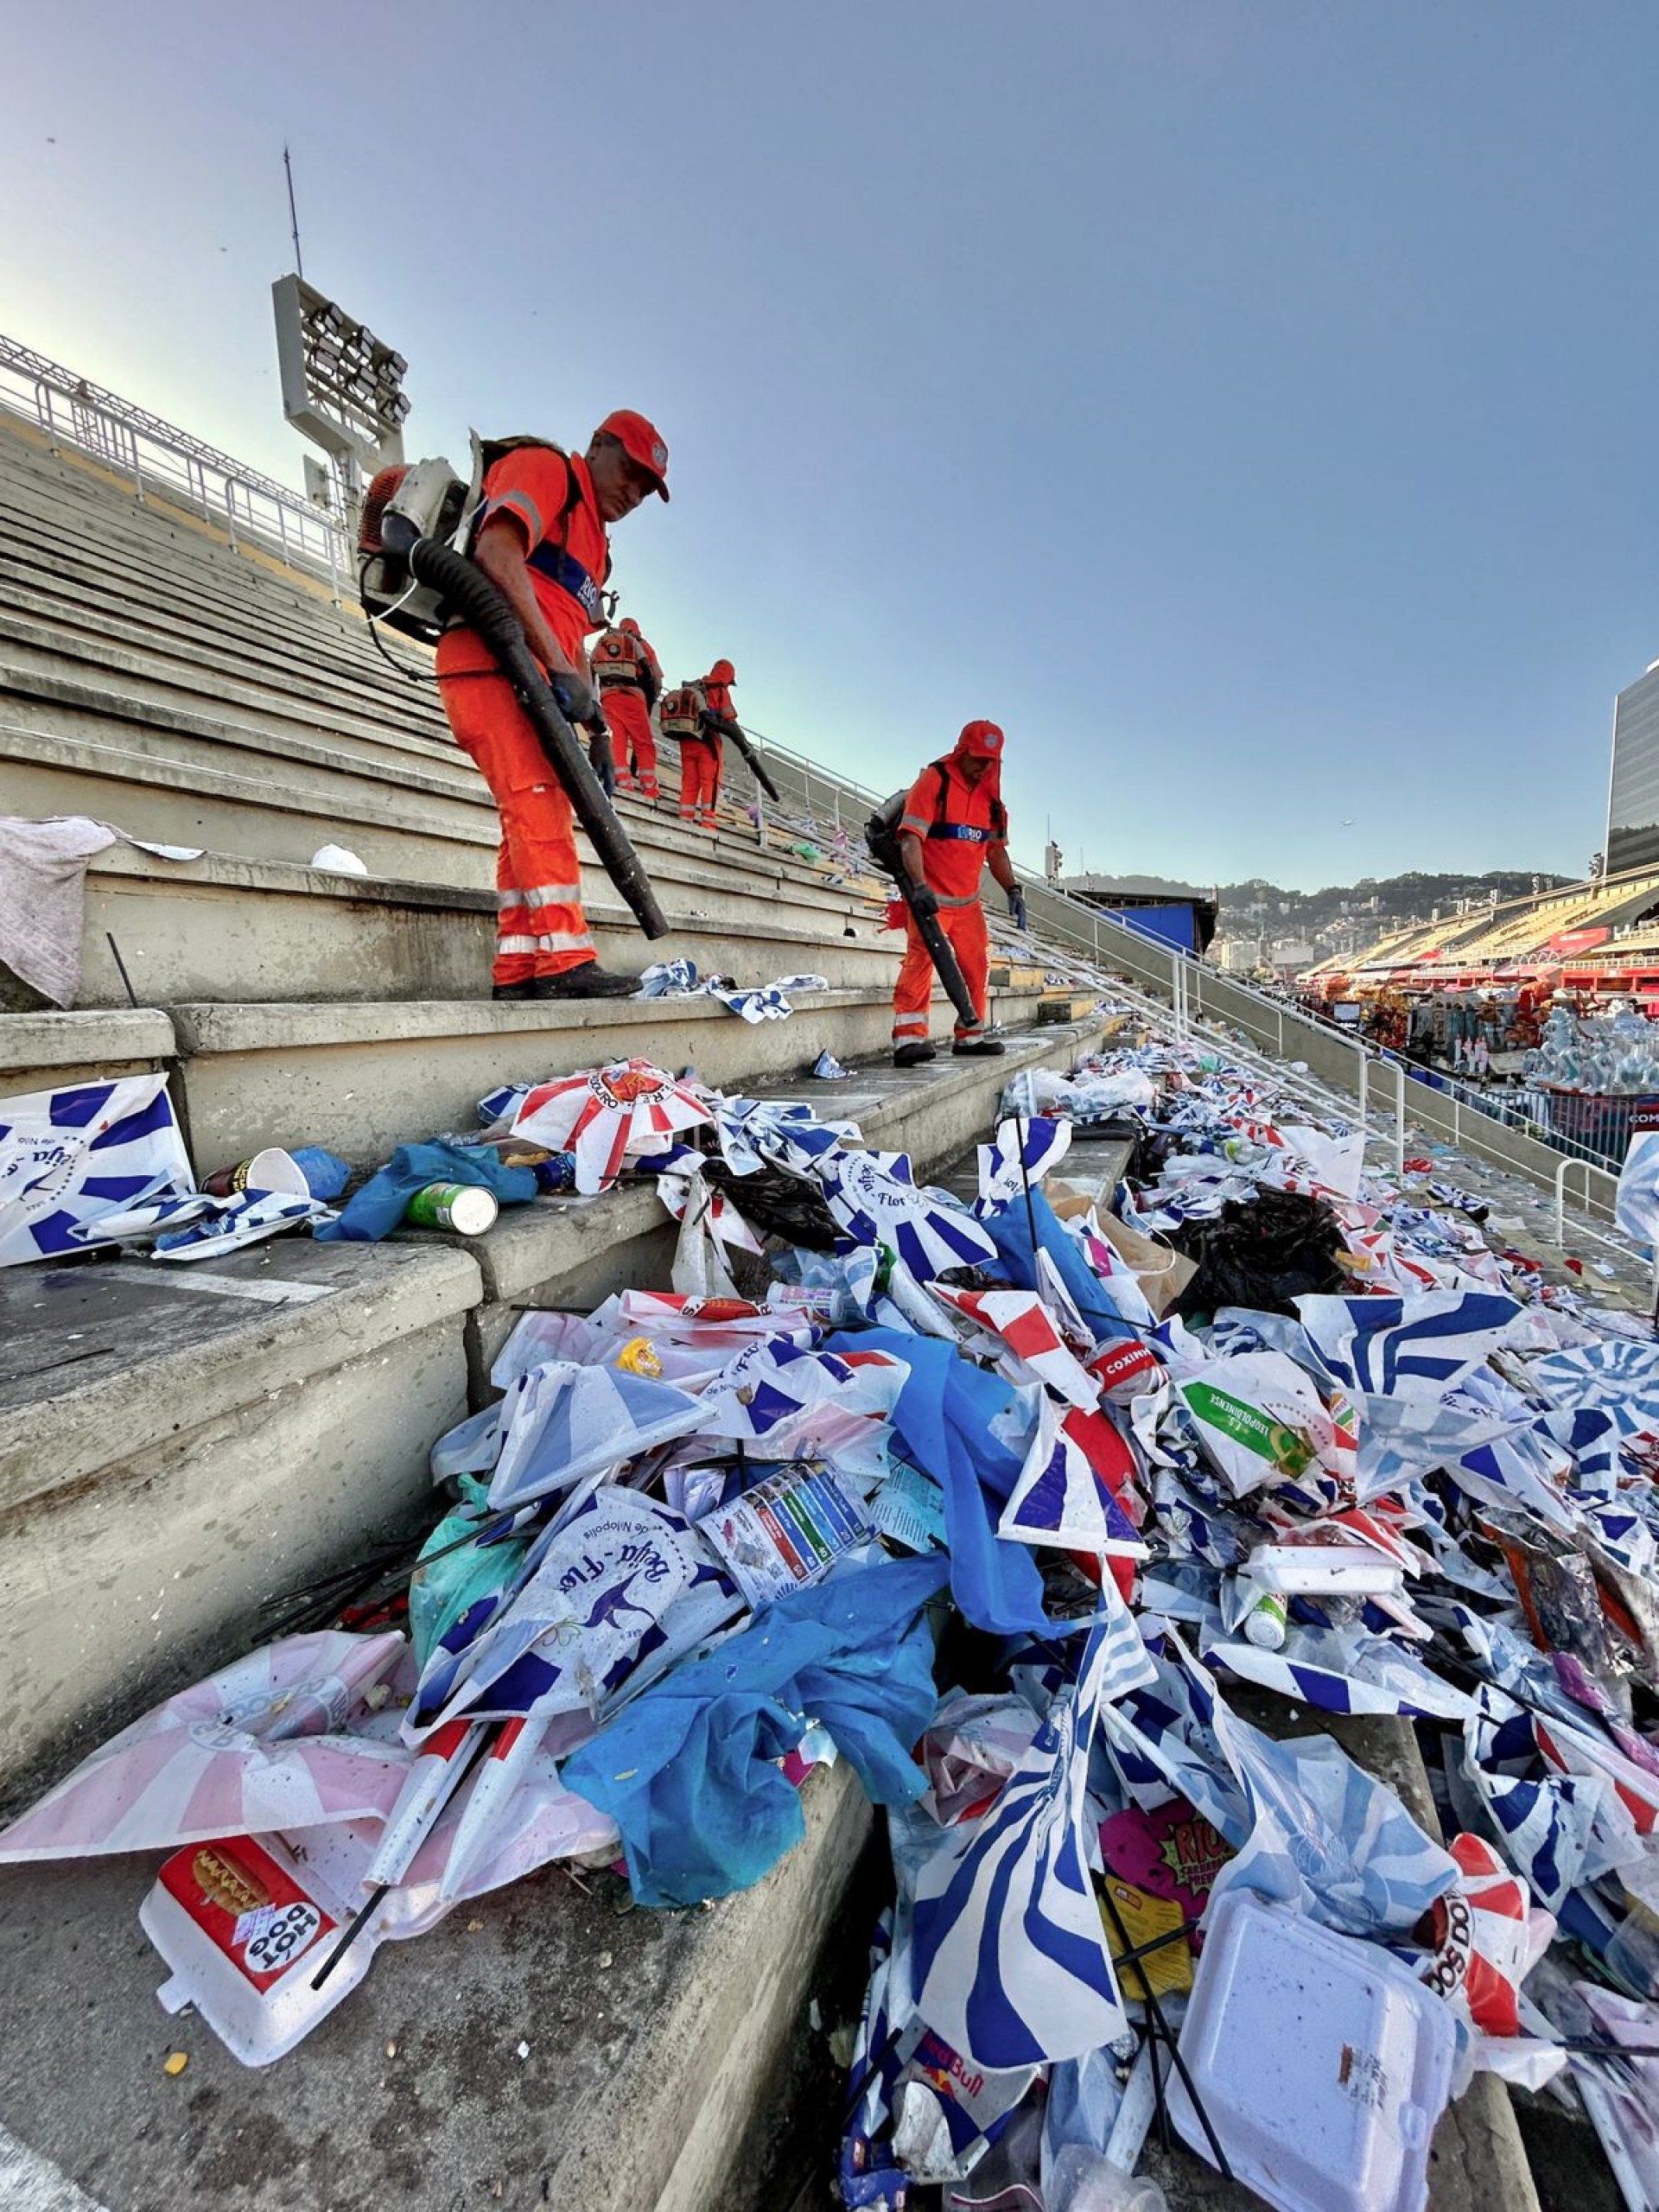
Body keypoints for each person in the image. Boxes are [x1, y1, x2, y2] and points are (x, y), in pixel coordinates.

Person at [435, 410, 670, 999]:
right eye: (631, 472)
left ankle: (518, 968)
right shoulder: (547, 471)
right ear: (597, 445)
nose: (635, 492)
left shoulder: (597, 543)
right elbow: (497, 553)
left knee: (527, 817)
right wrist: (560, 670)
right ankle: (566, 960)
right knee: (537, 805)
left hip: (542, 682)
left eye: (647, 488)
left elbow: (576, 637)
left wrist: (599, 729)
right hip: (493, 665)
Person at [891, 720, 1026, 1068]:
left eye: (991, 761)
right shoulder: (936, 781)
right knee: (919, 964)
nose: (984, 767)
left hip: (967, 905)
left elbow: (995, 852)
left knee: (976, 967)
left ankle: (970, 1036)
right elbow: (910, 838)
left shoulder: (992, 802)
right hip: (930, 899)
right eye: (978, 759)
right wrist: (919, 888)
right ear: (962, 752)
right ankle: (909, 1040)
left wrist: (1013, 888)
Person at [593, 615, 664, 799]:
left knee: (618, 740)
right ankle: (649, 787)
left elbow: (592, 666)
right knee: (643, 742)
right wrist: (651, 697)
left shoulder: (605, 641)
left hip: (608, 695)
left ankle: (623, 781)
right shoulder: (641, 644)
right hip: (633, 696)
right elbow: (656, 676)